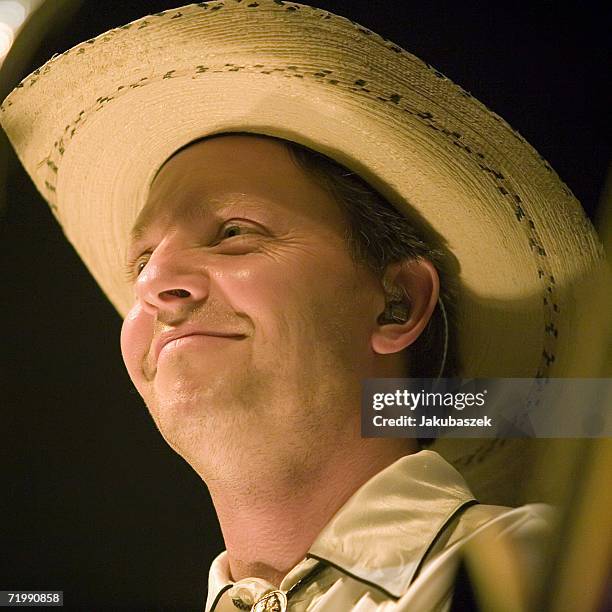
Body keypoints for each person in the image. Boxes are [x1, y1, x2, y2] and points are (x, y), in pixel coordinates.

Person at [1, 2, 604, 610]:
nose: (155, 281)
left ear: (398, 303)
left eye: (233, 232)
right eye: (140, 262)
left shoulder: (547, 571)